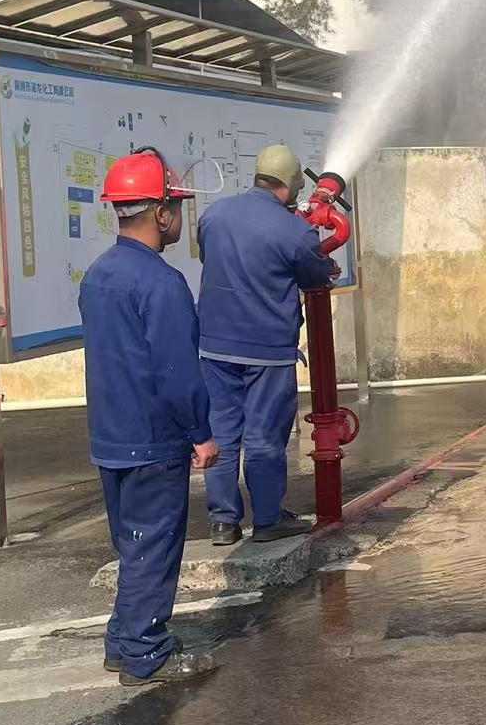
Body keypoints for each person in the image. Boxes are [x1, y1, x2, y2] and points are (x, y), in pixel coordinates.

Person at [79, 148, 219, 685]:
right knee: (153, 547)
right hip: (153, 437)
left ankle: (123, 641)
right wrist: (201, 433)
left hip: (110, 436)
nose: (180, 216)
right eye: (176, 207)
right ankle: (144, 654)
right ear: (161, 214)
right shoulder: (162, 282)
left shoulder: (98, 275)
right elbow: (176, 370)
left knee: (133, 544)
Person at [197, 144, 335, 545]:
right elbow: (315, 276)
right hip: (267, 351)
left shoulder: (214, 215)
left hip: (214, 347)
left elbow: (210, 257)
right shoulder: (294, 230)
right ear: (291, 184)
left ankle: (223, 522)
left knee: (222, 433)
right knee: (263, 436)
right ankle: (268, 520)